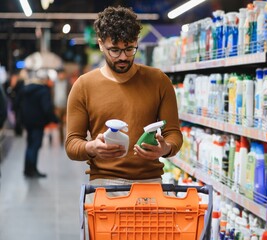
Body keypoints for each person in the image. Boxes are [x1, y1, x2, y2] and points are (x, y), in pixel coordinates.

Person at [65, 6, 183, 188]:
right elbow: (72, 144)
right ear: (100, 44)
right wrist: (91, 148)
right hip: (104, 184)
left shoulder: (159, 81)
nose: (123, 57)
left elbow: (173, 133)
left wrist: (166, 148)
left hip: (150, 183)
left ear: (136, 41)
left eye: (129, 49)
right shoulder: (83, 86)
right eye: (114, 50)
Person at [18, 69, 58, 178]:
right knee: (35, 145)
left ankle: (27, 169)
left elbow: (20, 105)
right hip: (38, 122)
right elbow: (47, 108)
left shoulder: (26, 89)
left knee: (30, 145)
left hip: (27, 122)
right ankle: (32, 170)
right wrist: (54, 119)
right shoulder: (43, 91)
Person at [53, 69, 71, 145]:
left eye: (62, 74)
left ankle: (69, 138)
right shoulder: (54, 84)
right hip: (57, 106)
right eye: (60, 74)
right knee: (59, 124)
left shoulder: (68, 84)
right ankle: (61, 139)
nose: (61, 76)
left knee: (68, 123)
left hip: (67, 106)